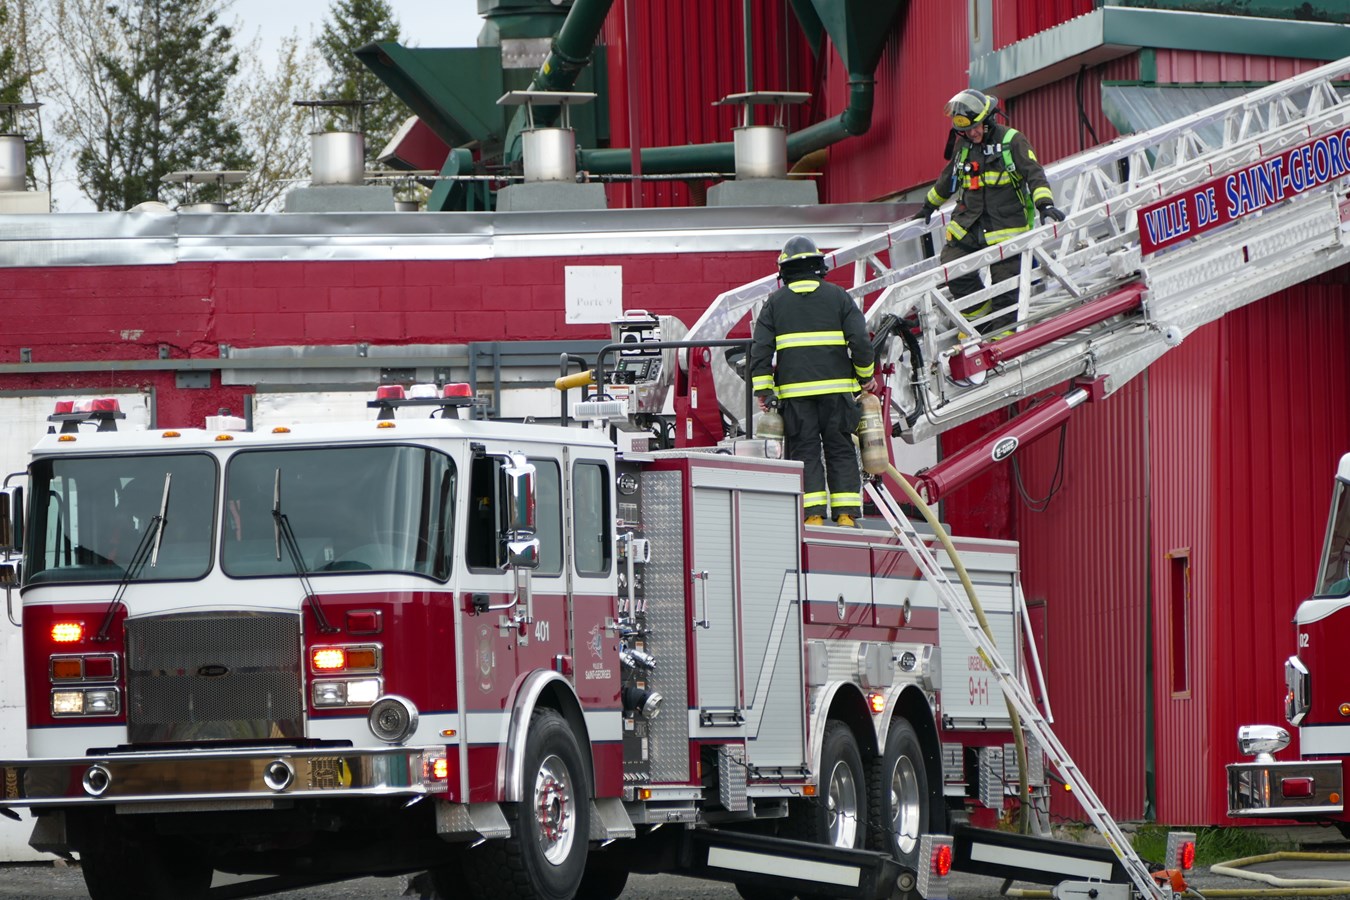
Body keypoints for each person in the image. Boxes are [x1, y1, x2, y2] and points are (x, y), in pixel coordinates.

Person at [913, 89, 1065, 335]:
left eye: (976, 127)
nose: (972, 133)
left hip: (1005, 228)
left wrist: (1045, 206)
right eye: (966, 130)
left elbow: (1034, 174)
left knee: (1006, 287)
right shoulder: (964, 146)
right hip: (968, 225)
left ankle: (1001, 340)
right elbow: (948, 179)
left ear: (989, 119)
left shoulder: (1012, 141)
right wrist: (928, 206)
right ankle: (981, 326)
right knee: (953, 270)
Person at [749, 236, 876, 528]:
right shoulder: (839, 297)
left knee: (805, 451)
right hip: (838, 395)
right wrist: (865, 376)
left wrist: (764, 390)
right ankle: (845, 516)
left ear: (785, 270)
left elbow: (761, 351)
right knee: (841, 448)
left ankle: (813, 515)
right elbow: (860, 341)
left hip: (796, 398)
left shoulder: (774, 303)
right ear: (819, 265)